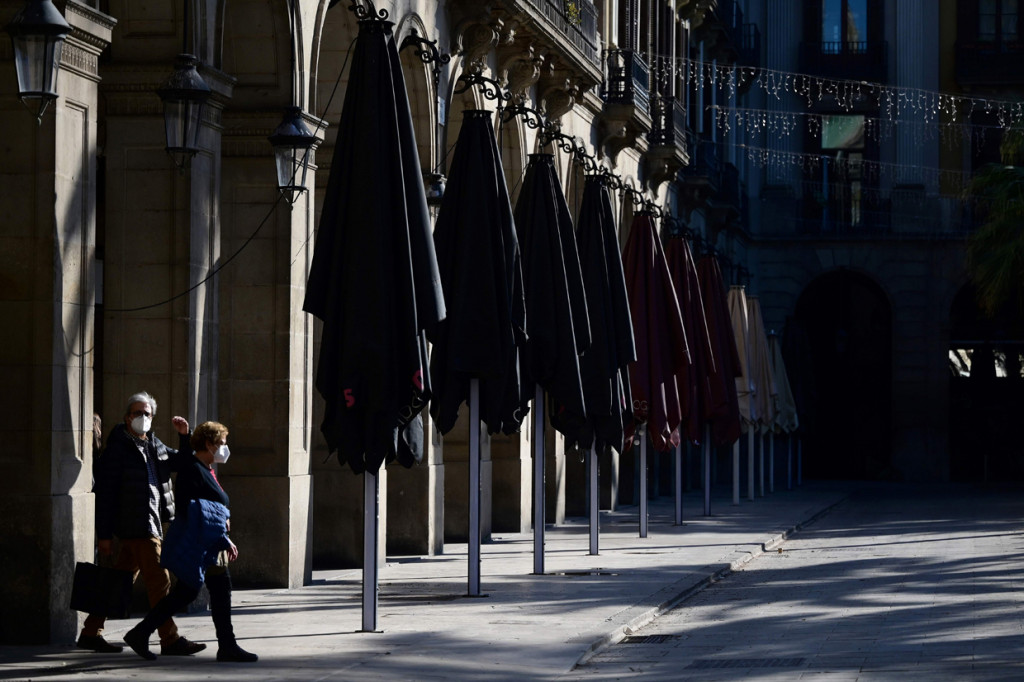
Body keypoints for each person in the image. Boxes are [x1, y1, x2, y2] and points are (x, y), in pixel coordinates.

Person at [77, 392, 206, 656]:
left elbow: (182, 462)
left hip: (151, 523)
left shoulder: (154, 445)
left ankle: (91, 632)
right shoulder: (118, 448)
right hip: (137, 526)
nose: (143, 417)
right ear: (127, 417)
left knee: (118, 580)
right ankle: (169, 638)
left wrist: (184, 435)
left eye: (147, 413)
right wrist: (103, 535)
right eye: (138, 413)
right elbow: (106, 492)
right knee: (160, 582)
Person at [123, 421, 258, 663]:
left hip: (209, 543)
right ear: (209, 444)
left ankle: (142, 633)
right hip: (202, 543)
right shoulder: (194, 469)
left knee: (203, 592)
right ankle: (142, 633)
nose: (225, 450)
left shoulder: (205, 468)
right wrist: (222, 533)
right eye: (222, 444)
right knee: (197, 592)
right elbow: (192, 507)